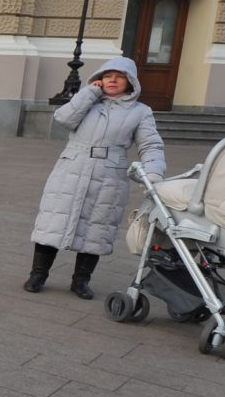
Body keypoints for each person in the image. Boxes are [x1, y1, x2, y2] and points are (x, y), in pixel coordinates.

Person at [25, 56, 165, 299]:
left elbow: (151, 145)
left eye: (119, 76)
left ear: (130, 82)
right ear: (99, 79)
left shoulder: (140, 112)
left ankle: (81, 281)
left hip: (110, 174)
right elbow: (63, 118)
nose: (113, 80)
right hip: (72, 168)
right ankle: (38, 275)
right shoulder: (87, 101)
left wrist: (153, 171)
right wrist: (89, 93)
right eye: (107, 75)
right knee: (53, 221)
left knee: (97, 228)